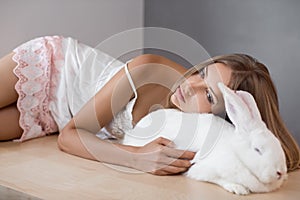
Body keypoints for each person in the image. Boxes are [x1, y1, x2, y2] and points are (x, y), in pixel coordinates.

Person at [0, 36, 299, 175]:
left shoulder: (203, 134)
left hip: (53, 116)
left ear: (225, 118)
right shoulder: (150, 69)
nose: (190, 85)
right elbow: (71, 135)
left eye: (209, 96)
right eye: (202, 73)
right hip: (53, 68)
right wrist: (136, 157)